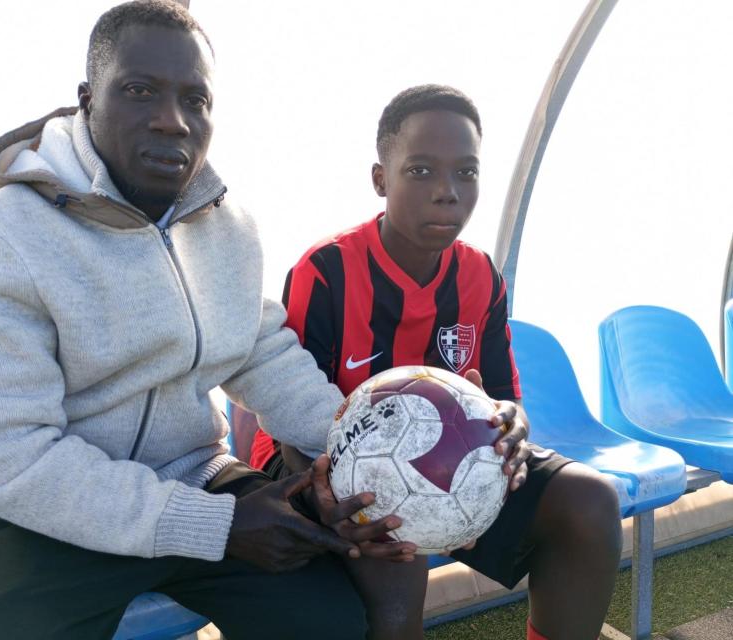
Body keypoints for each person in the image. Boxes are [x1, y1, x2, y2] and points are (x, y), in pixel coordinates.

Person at [0, 2, 413, 638]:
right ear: (86, 99)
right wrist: (212, 527)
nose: (171, 120)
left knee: (325, 618)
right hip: (48, 514)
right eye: (138, 90)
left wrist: (357, 451)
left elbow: (263, 353)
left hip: (196, 478)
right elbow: (5, 457)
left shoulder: (228, 227)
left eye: (196, 99)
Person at [249, 85, 623, 640]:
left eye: (466, 173)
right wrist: (384, 496)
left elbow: (502, 395)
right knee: (394, 551)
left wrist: (512, 425)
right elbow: (293, 429)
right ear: (381, 179)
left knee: (589, 501)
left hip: (452, 467)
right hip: (317, 466)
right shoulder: (327, 271)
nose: (448, 193)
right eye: (421, 171)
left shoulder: (480, 276)